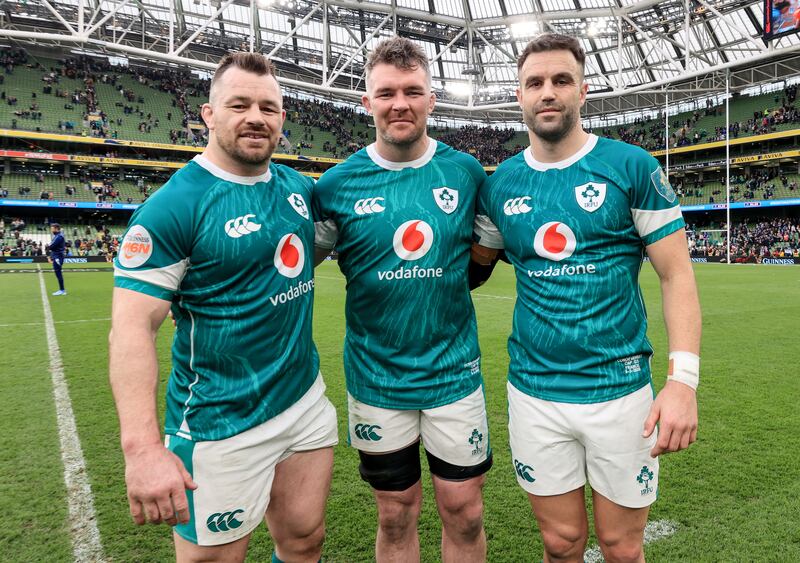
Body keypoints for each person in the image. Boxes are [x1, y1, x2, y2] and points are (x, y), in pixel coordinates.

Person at [471, 34, 701, 562]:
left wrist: (683, 382)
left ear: (583, 91)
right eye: (535, 82)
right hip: (535, 393)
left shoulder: (631, 167)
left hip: (620, 394)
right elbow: (473, 268)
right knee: (561, 542)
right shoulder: (501, 184)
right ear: (519, 95)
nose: (547, 92)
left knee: (622, 547)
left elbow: (677, 276)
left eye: (560, 80)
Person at [109, 52, 338, 563]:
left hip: (303, 404)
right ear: (209, 115)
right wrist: (143, 449)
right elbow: (130, 328)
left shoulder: (299, 191)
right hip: (217, 422)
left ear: (282, 120)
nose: (255, 117)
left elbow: (307, 255)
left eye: (268, 107)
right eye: (239, 105)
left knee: (304, 541)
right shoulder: (174, 207)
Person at [312, 36, 491, 563]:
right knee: (394, 512)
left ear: (432, 99)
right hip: (377, 379)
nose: (400, 103)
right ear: (366, 102)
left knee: (465, 510)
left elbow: (481, 258)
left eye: (413, 91)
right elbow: (296, 267)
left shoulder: (465, 173)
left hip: (454, 375)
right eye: (386, 92)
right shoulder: (337, 185)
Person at [47, 222, 66, 296]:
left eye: (52, 229)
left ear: (56, 229)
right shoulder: (57, 236)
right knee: (58, 272)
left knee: (58, 273)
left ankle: (62, 290)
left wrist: (49, 246)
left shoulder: (59, 236)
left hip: (58, 256)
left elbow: (51, 246)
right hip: (57, 255)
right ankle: (62, 289)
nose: (51, 230)